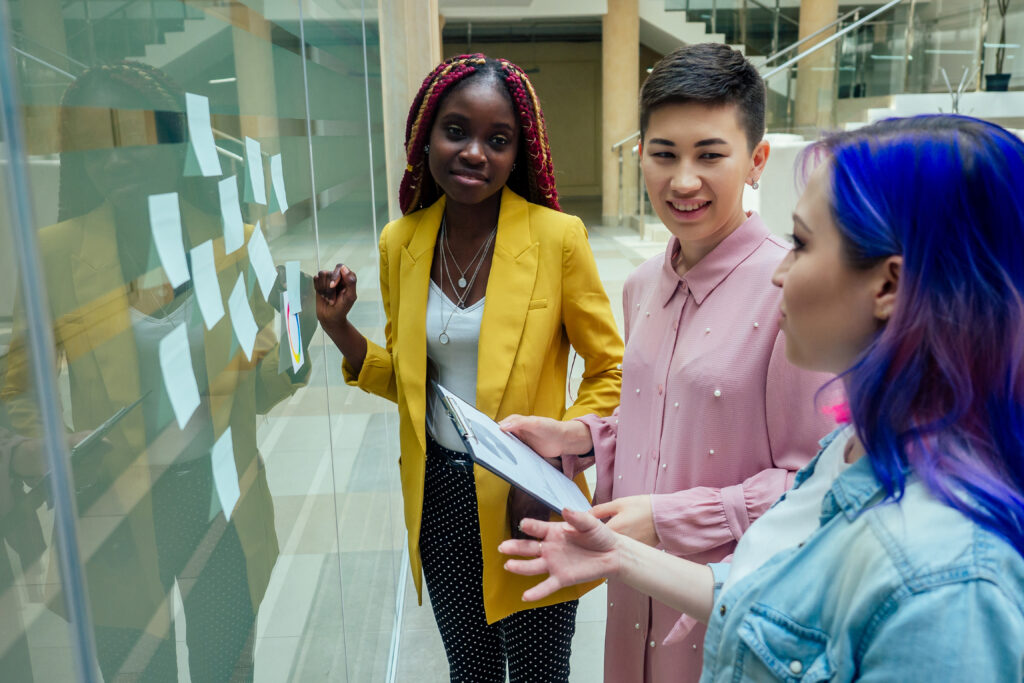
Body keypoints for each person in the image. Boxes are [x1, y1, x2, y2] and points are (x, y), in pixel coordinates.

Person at [500, 114, 1024, 680]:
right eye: (664, 153)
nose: (779, 274)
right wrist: (618, 548)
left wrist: (668, 521)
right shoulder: (852, 449)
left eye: (800, 243)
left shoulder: (945, 583)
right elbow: (771, 587)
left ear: (889, 286)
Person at [500, 43, 836, 680]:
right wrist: (578, 437)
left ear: (757, 160)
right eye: (664, 155)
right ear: (639, 155)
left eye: (710, 155)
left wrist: (664, 518)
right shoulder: (641, 284)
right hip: (630, 606)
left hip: (721, 614)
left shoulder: (792, 291)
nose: (683, 181)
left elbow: (816, 488)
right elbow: (663, 421)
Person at [0, 61, 315, 681]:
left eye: (129, 141)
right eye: (93, 150)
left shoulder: (234, 241)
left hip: (219, 496)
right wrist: (38, 445)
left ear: (173, 144)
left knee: (225, 668)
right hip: (114, 506)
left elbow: (262, 382)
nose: (111, 162)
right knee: (138, 673)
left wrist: (303, 334)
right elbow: (20, 384)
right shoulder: (54, 254)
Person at [314, 54, 623, 682]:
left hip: (525, 496)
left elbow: (610, 369)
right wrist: (339, 329)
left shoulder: (557, 238)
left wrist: (562, 451)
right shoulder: (401, 242)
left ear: (518, 155)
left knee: (540, 672)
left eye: (497, 139)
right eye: (457, 130)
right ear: (425, 134)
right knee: (472, 673)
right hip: (439, 497)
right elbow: (408, 379)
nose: (475, 152)